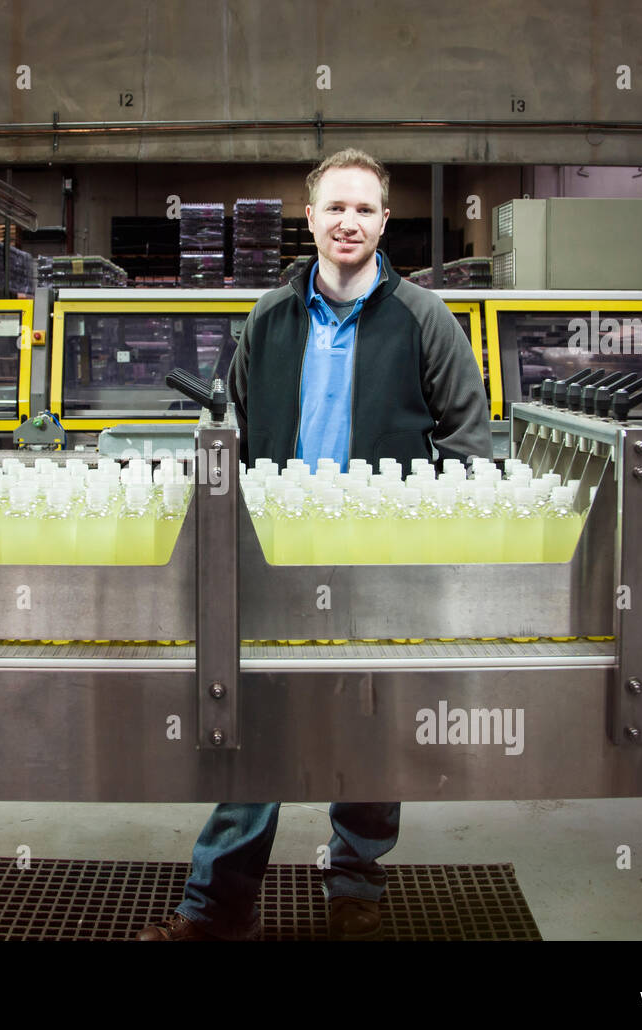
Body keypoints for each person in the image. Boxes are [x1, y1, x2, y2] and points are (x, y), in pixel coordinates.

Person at [137, 148, 491, 941]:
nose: (348, 223)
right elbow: (235, 431)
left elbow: (470, 442)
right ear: (310, 218)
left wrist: (437, 539)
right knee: (255, 724)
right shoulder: (271, 317)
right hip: (279, 552)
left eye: (364, 209)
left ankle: (355, 892)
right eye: (335, 208)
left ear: (384, 222)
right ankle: (218, 907)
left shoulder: (424, 319)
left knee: (370, 726)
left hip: (381, 556)